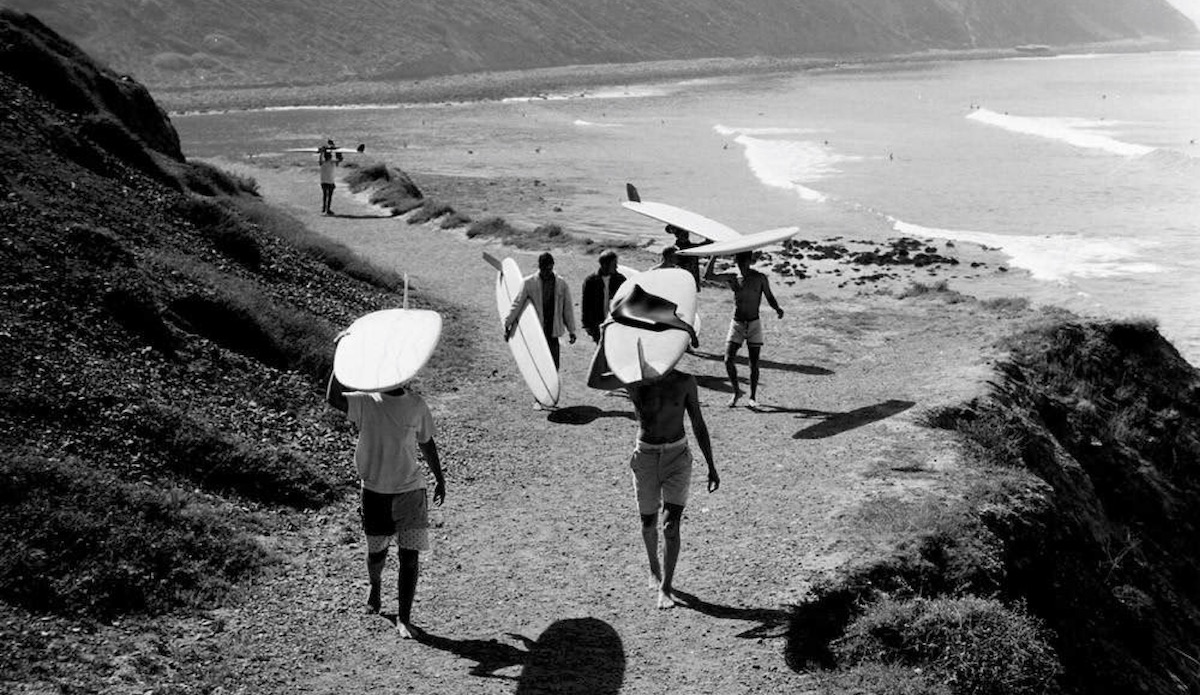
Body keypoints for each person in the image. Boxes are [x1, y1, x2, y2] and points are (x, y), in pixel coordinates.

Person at [326, 374, 447, 639]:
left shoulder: (416, 404)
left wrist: (438, 477)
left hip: (410, 488)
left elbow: (426, 442)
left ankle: (404, 618)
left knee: (410, 556)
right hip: (374, 490)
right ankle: (376, 585)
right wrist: (341, 357)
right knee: (376, 553)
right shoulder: (367, 401)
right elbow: (333, 398)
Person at [704, 251, 784, 408]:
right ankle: (736, 392)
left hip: (754, 323)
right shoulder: (733, 277)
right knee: (728, 360)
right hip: (737, 323)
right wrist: (714, 255)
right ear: (736, 261)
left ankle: (753, 397)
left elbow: (769, 296)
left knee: (754, 363)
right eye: (738, 261)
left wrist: (777, 309)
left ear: (750, 261)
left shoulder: (760, 278)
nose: (741, 265)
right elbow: (708, 276)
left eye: (744, 261)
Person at [504, 252, 577, 407]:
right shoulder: (529, 282)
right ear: (539, 267)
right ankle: (537, 398)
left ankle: (548, 396)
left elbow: (567, 308)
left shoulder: (561, 283)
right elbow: (517, 304)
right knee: (538, 365)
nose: (547, 271)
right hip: (537, 331)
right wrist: (507, 323)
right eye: (545, 269)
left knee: (554, 365)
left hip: (553, 331)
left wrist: (572, 330)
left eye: (550, 268)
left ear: (553, 266)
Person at [581, 250, 627, 343]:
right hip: (597, 324)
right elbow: (586, 304)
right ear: (605, 264)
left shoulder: (620, 280)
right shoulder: (591, 281)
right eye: (614, 264)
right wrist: (587, 325)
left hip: (615, 325)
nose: (616, 267)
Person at [665, 225, 708, 291]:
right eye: (683, 234)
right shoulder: (677, 249)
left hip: (690, 278)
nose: (686, 236)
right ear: (677, 236)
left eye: (686, 234)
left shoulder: (688, 247)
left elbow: (706, 245)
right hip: (683, 279)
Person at [319, 146, 338, 215]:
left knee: (324, 195)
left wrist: (322, 152)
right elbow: (339, 159)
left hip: (323, 181)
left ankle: (324, 208)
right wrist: (336, 151)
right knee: (329, 196)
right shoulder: (332, 163)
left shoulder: (322, 163)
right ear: (330, 157)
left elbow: (320, 159)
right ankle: (328, 209)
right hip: (330, 182)